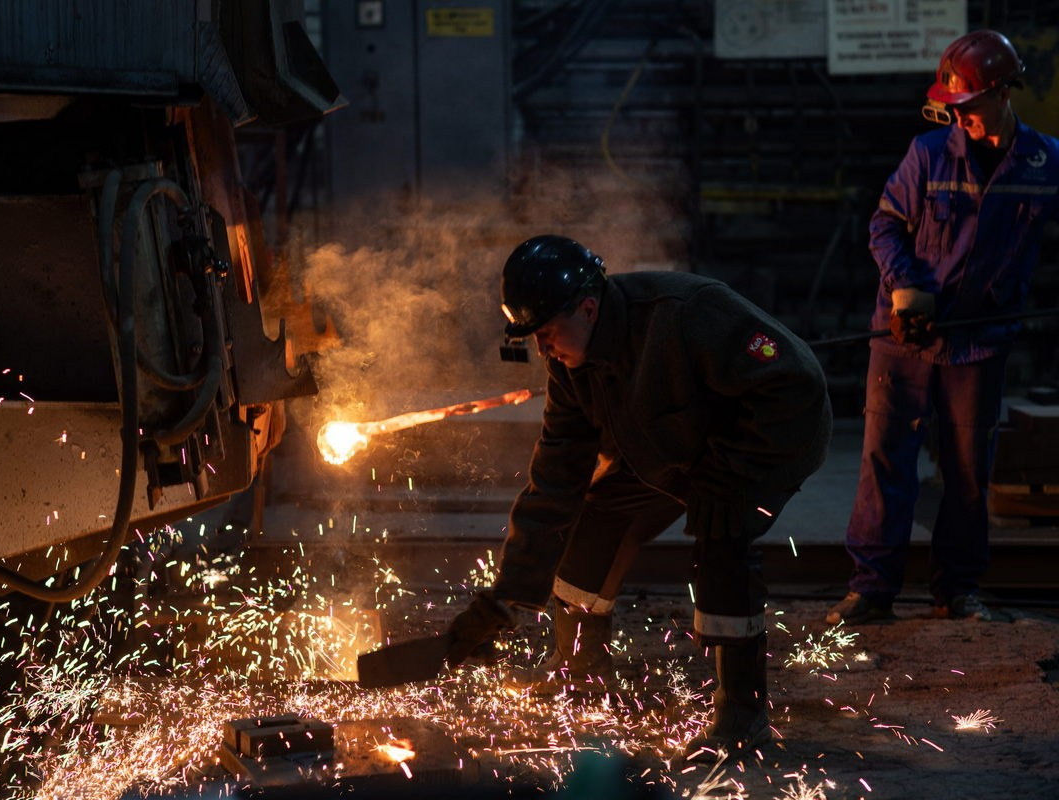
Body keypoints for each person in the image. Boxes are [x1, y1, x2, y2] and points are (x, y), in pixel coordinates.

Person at [444, 235, 832, 762]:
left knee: (722, 540)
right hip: (664, 450)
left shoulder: (686, 314)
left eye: (548, 334)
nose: (543, 350)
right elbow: (555, 479)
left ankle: (742, 715)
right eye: (533, 337)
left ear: (587, 307)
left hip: (760, 444)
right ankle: (579, 675)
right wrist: (506, 597)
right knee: (594, 522)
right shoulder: (569, 364)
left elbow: (797, 381)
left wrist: (732, 471)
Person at [826, 30, 1059, 627]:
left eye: (972, 106)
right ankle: (872, 589)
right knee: (887, 461)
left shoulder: (1043, 162)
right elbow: (885, 227)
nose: (962, 119)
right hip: (905, 335)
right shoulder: (928, 154)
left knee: (967, 470)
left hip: (979, 343)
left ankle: (957, 591)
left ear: (1005, 93)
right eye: (955, 109)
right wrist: (905, 286)